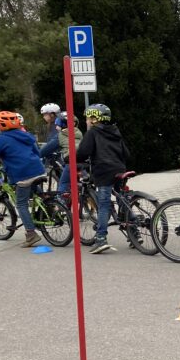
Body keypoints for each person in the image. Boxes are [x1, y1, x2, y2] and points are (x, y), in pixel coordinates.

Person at [0, 110, 46, 247]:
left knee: (21, 203)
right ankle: (49, 207)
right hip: (39, 169)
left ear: (1, 126)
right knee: (35, 192)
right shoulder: (26, 135)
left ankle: (31, 234)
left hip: (22, 174)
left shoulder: (1, 140)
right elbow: (37, 152)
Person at [76, 103, 129, 254]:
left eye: (88, 118)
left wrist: (71, 158)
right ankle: (134, 233)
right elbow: (126, 153)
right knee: (123, 199)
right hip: (120, 169)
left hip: (104, 171)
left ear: (94, 119)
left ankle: (100, 239)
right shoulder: (115, 131)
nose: (86, 121)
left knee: (104, 204)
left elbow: (83, 152)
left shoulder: (93, 132)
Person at [54, 112, 83, 198]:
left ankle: (61, 202)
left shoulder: (60, 135)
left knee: (64, 182)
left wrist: (39, 154)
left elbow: (45, 150)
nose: (56, 127)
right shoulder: (79, 133)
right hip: (83, 161)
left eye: (58, 124)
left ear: (63, 125)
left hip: (71, 161)